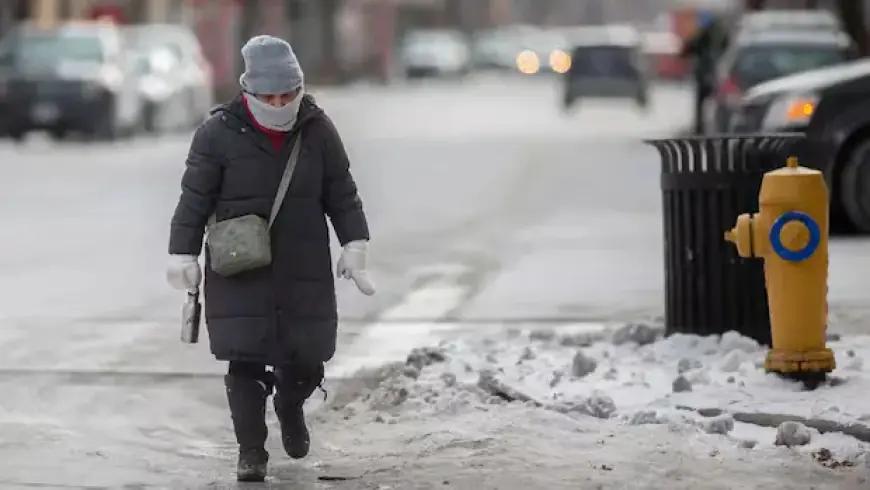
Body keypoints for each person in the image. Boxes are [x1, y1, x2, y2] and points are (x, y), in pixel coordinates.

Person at [165, 35, 375, 482]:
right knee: (244, 359)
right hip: (241, 265)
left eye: (288, 95)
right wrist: (181, 252)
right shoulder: (217, 134)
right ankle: (251, 452)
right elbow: (194, 199)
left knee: (307, 359)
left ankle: (290, 403)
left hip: (303, 266)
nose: (279, 104)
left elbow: (341, 191)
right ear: (248, 91)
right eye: (269, 96)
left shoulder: (317, 130)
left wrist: (354, 243)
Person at [681, 13, 729, 134]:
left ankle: (702, 128)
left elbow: (685, 51)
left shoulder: (705, 37)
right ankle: (705, 128)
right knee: (712, 103)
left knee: (707, 104)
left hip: (709, 75)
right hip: (711, 75)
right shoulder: (714, 36)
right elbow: (686, 51)